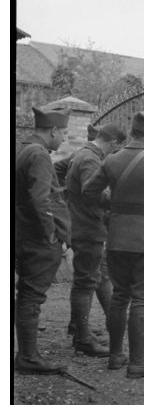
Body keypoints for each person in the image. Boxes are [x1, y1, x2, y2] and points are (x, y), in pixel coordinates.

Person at [83, 110, 144, 378]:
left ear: (131, 132)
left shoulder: (112, 159)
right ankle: (137, 362)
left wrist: (116, 206)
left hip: (117, 237)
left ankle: (116, 356)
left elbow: (88, 191)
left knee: (119, 296)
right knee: (142, 299)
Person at [15, 106, 72, 374]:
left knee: (27, 293)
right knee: (31, 295)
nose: (64, 139)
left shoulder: (24, 149)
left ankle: (27, 353)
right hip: (36, 237)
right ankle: (28, 357)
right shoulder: (39, 155)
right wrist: (52, 232)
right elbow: (41, 199)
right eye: (63, 133)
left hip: (23, 232)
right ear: (52, 130)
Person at [65, 123, 126, 356]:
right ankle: (82, 338)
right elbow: (94, 194)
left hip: (85, 225)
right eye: (116, 148)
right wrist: (119, 197)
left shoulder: (82, 154)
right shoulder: (91, 159)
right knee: (85, 282)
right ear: (113, 143)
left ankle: (90, 328)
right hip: (88, 227)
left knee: (98, 277)